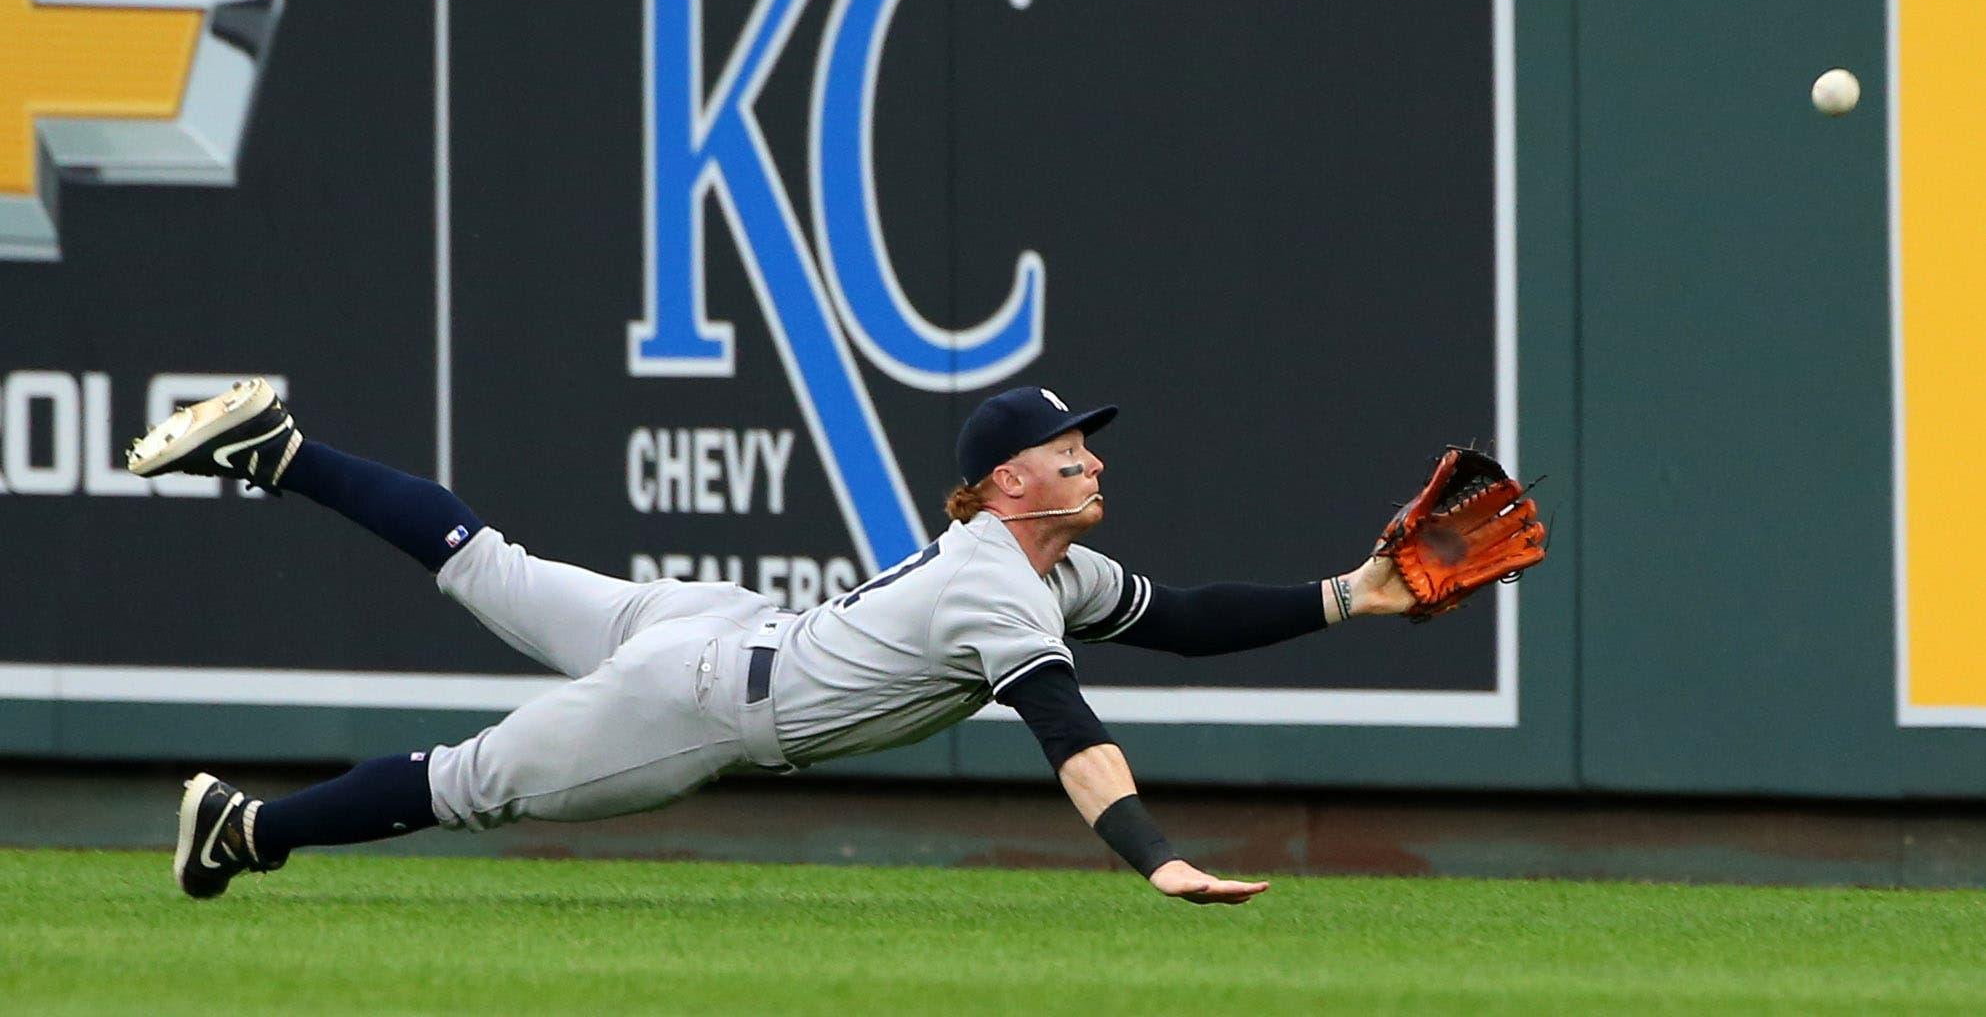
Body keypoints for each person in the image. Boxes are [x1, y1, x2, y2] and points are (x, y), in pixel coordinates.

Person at [130, 380, 1414, 905]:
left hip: (717, 627)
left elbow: (1184, 618)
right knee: (469, 782)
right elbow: (1070, 734)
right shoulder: (1001, 587)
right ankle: (246, 829)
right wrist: (1160, 858)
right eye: (1064, 444)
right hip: (701, 698)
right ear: (1006, 481)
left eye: (1086, 437)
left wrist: (1353, 591)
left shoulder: (1047, 565)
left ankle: (282, 453)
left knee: (487, 564)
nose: (1090, 452)